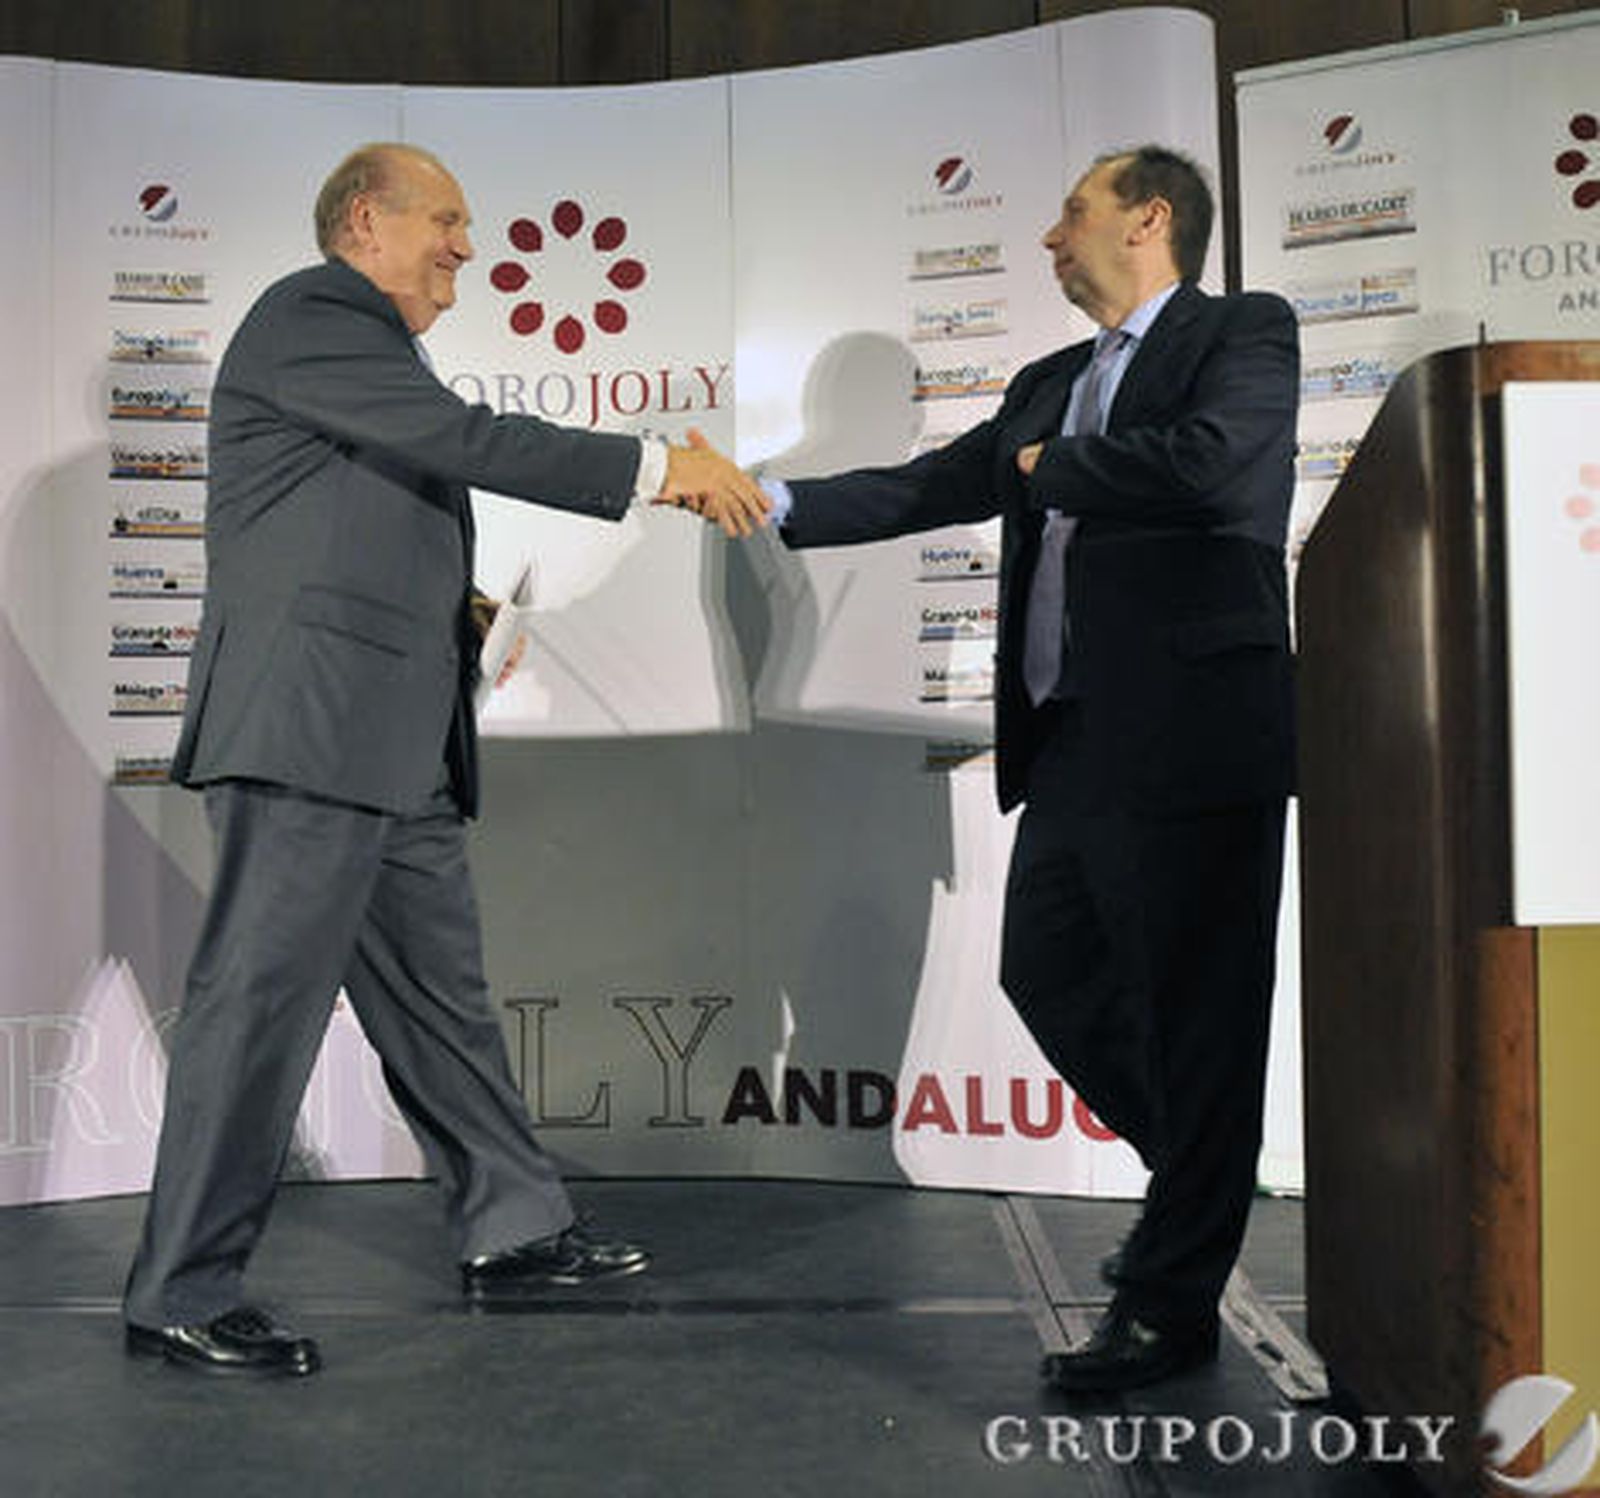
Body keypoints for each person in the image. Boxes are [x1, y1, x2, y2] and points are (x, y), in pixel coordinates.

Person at [122, 142, 769, 1378]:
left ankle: (512, 1225)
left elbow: (343, 517)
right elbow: (456, 438)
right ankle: (180, 1290)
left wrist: (455, 607)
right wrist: (654, 468)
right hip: (312, 730)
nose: (468, 250)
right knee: (255, 1014)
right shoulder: (312, 311)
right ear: (366, 219)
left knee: (440, 1004)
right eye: (450, 224)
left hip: (397, 735)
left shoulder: (366, 345)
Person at [758, 145, 1298, 1393]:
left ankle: (1169, 1310)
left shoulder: (1240, 332)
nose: (1050, 240)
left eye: (1073, 213)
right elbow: (934, 484)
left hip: (1200, 731)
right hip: (1072, 735)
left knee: (1201, 1019)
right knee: (1049, 970)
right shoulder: (1052, 377)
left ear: (1149, 220)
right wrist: (766, 499)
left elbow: (1219, 462)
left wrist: (1054, 470)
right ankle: (1194, 1199)